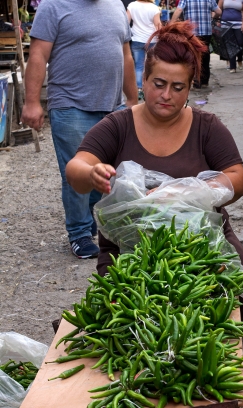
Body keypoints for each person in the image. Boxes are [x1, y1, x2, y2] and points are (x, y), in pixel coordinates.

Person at [66, 20, 243, 355]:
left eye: (178, 87)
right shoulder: (118, 125)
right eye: (159, 83)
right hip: (128, 255)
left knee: (222, 339)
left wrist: (186, 193)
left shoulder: (206, 127)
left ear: (190, 87)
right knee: (133, 342)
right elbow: (75, 168)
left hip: (203, 250)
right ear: (143, 79)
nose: (167, 95)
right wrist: (92, 172)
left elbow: (236, 179)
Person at [21, 0, 138, 259]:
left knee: (107, 174)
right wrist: (31, 102)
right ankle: (80, 233)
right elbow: (38, 54)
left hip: (113, 106)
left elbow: (125, 54)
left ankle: (96, 221)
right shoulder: (53, 5)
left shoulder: (116, 4)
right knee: (77, 173)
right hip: (70, 105)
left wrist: (132, 100)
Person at [171, 0, 222, 88]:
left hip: (192, 33)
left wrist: (171, 23)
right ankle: (205, 81)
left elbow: (179, 10)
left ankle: (196, 81)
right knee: (205, 55)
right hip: (206, 31)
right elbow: (219, 11)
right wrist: (213, 16)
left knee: (192, 56)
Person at [127, 0, 162, 100]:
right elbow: (157, 25)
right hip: (151, 40)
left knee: (138, 65)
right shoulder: (154, 7)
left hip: (137, 39)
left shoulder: (132, 5)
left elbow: (125, 22)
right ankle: (151, 87)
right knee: (152, 64)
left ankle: (138, 90)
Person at [218, 0, 243, 73]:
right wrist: (218, 21)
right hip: (226, 24)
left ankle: (240, 59)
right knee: (230, 45)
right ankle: (232, 66)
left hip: (238, 23)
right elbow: (218, 9)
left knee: (240, 42)